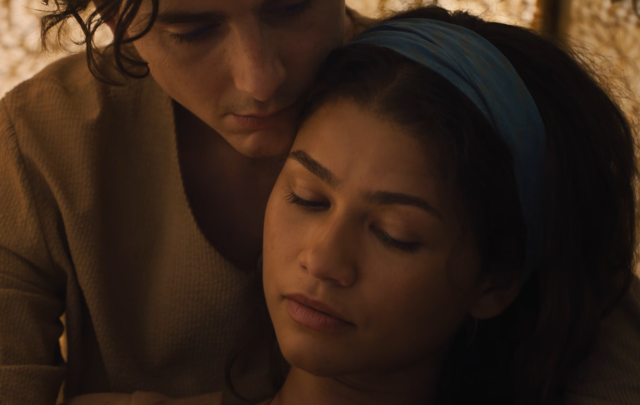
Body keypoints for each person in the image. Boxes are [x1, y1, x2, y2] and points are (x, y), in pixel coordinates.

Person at [0, 1, 637, 405]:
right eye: (192, 29)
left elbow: (591, 315)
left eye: (290, 6)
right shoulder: (41, 142)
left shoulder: (435, 90)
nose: (260, 79)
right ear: (117, 20)